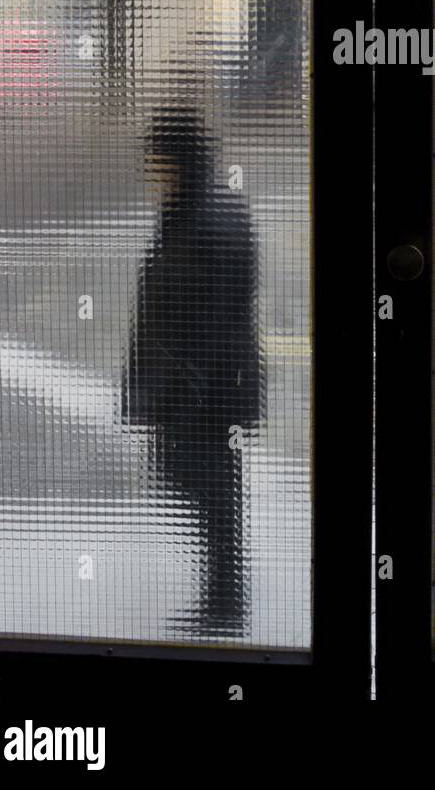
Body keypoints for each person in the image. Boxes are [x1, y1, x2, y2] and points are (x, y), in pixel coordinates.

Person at [122, 107, 260, 635]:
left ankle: (225, 602)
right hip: (190, 379)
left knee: (208, 484)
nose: (151, 174)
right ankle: (225, 595)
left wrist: (189, 387)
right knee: (201, 482)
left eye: (156, 161)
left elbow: (218, 315)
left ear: (177, 159)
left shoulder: (210, 219)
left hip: (206, 384)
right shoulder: (189, 208)